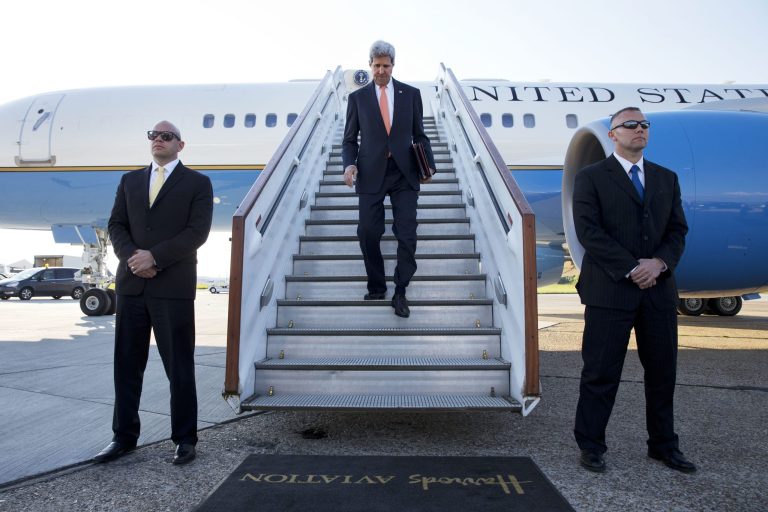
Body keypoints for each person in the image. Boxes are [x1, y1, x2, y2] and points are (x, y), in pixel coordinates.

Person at [572, 107, 695, 474]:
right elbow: (588, 231)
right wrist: (631, 267)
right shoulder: (591, 177)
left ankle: (663, 445)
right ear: (613, 134)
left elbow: (677, 231)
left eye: (644, 125)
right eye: (630, 125)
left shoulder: (666, 178)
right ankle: (591, 446)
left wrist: (659, 263)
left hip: (658, 291)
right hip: (610, 291)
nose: (639, 129)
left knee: (662, 373)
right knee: (600, 373)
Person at [95, 121, 213, 465]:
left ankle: (185, 439)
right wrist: (134, 259)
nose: (158, 140)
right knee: (127, 365)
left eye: (166, 136)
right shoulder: (130, 181)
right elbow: (116, 225)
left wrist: (155, 257)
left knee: (179, 367)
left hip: (172, 288)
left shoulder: (197, 183)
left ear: (180, 144)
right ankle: (124, 437)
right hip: (132, 286)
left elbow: (197, 232)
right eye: (153, 136)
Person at [342, 40, 436, 318]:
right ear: (370, 65)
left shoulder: (411, 94)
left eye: (386, 65)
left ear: (393, 66)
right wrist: (349, 165)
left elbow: (420, 134)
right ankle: (377, 284)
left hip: (404, 173)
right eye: (377, 66)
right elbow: (349, 140)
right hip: (370, 173)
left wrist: (427, 167)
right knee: (368, 232)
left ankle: (401, 290)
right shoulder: (357, 99)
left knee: (406, 234)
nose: (381, 70)